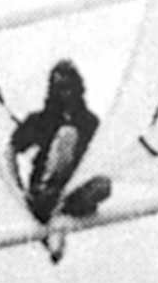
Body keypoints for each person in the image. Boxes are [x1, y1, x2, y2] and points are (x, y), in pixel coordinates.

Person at [8, 59, 111, 263]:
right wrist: (18, 187)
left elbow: (102, 156)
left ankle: (59, 212)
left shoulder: (89, 122)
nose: (66, 94)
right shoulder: (41, 120)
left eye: (69, 88)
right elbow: (11, 150)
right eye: (60, 88)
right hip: (47, 185)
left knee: (104, 185)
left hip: (75, 188)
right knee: (67, 135)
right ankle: (52, 202)